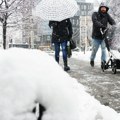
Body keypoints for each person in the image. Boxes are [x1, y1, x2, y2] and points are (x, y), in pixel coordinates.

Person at [90, 2, 116, 67]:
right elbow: (95, 21)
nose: (103, 9)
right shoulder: (95, 14)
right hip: (96, 36)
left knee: (104, 49)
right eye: (102, 7)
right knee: (94, 50)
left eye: (105, 8)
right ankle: (92, 59)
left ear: (106, 9)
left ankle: (103, 62)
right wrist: (102, 26)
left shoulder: (107, 15)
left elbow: (112, 21)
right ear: (100, 8)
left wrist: (115, 26)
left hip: (104, 36)